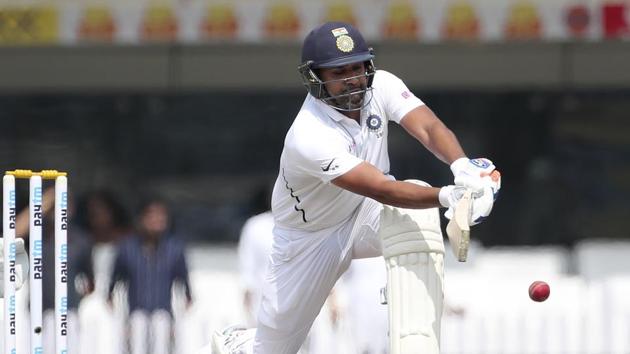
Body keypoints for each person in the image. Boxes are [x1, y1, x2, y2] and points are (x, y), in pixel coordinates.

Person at [212, 21, 501, 354]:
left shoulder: (383, 85)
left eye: (356, 68)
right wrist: (448, 196)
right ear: (315, 77)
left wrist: (462, 167)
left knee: (418, 221)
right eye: (338, 73)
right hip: (309, 239)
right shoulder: (308, 135)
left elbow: (427, 126)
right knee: (272, 350)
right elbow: (379, 188)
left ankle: (416, 346)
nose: (352, 80)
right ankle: (239, 344)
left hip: (364, 214)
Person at [108, 196, 192, 354]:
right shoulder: (127, 248)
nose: (157, 221)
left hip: (163, 312)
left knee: (161, 343)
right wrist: (110, 296)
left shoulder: (174, 249)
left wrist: (188, 297)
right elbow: (116, 277)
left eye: (161, 217)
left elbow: (184, 278)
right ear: (142, 219)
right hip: (136, 311)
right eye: (152, 216)